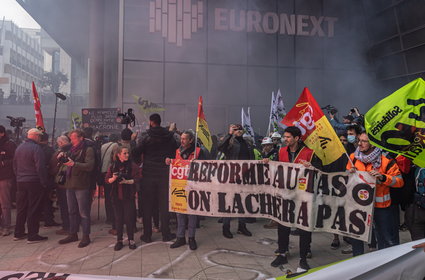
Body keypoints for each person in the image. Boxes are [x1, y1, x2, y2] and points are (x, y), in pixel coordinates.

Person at [270, 126, 321, 270]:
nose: (284, 139)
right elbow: (275, 167)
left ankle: (303, 257)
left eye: (287, 137)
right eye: (284, 137)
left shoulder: (309, 153)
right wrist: (267, 162)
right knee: (283, 225)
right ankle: (282, 253)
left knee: (304, 226)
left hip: (303, 196)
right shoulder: (280, 151)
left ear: (297, 138)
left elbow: (320, 171)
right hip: (286, 195)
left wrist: (312, 166)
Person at [346, 132, 403, 256]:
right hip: (359, 205)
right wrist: (349, 174)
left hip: (380, 207)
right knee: (357, 236)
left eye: (364, 141)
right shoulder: (353, 157)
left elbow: (399, 182)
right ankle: (358, 262)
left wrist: (383, 178)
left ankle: (384, 262)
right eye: (358, 140)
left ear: (372, 144)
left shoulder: (386, 160)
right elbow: (346, 180)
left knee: (385, 238)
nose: (359, 144)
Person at [132, 113, 178, 243]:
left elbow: (136, 152)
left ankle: (147, 235)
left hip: (148, 175)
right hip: (165, 173)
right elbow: (176, 150)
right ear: (160, 121)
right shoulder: (170, 137)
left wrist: (133, 143)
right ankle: (166, 234)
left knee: (147, 205)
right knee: (164, 205)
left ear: (151, 122)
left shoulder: (146, 137)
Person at [166, 130, 208, 250]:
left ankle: (191, 238)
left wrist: (199, 163)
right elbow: (175, 164)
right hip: (180, 186)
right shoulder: (177, 151)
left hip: (194, 187)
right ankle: (180, 238)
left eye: (184, 139)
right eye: (181, 138)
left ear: (191, 140)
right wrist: (169, 161)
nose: (182, 141)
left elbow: (207, 167)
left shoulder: (199, 152)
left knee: (192, 214)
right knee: (180, 213)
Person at [58, 129, 95, 248]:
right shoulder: (70, 149)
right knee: (72, 211)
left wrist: (74, 164)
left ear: (81, 138)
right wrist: (62, 157)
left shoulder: (87, 149)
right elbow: (65, 162)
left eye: (74, 138)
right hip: (69, 184)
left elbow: (89, 166)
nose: (72, 141)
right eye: (71, 138)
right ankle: (73, 233)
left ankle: (86, 235)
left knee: (83, 212)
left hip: (81, 184)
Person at [218, 124, 254, 239]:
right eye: (236, 129)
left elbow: (251, 159)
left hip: (244, 177)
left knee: (242, 202)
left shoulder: (247, 143)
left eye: (240, 129)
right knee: (229, 203)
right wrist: (229, 134)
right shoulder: (230, 143)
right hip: (231, 177)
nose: (238, 131)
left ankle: (241, 226)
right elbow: (220, 147)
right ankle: (226, 227)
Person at [13, 128, 49, 243]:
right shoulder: (36, 148)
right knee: (33, 208)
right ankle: (32, 235)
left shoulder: (19, 147)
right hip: (34, 181)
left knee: (21, 207)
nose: (40, 138)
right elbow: (40, 167)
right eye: (39, 136)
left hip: (20, 181)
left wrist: (18, 177)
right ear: (36, 136)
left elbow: (15, 165)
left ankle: (18, 233)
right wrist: (44, 182)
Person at [106, 146, 141, 250]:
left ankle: (131, 239)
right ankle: (119, 240)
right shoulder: (113, 166)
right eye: (124, 153)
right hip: (116, 196)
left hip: (128, 195)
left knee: (129, 218)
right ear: (118, 154)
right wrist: (113, 178)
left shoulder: (132, 165)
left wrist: (127, 181)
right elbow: (107, 180)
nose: (127, 155)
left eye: (127, 153)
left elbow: (138, 178)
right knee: (118, 219)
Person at [50, 135, 71, 235]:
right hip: (72, 182)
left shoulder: (59, 153)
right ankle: (73, 225)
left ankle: (66, 226)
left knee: (64, 205)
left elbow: (53, 167)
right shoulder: (74, 150)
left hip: (62, 182)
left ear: (61, 143)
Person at [100, 134, 120, 234]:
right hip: (111, 172)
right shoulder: (116, 146)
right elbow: (115, 159)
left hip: (103, 172)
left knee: (107, 196)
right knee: (113, 196)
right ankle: (114, 218)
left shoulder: (103, 146)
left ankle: (109, 217)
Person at [0, 125, 17, 236]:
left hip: (5, 177)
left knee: (5, 203)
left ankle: (6, 226)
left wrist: (3, 163)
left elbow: (15, 159)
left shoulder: (9, 144)